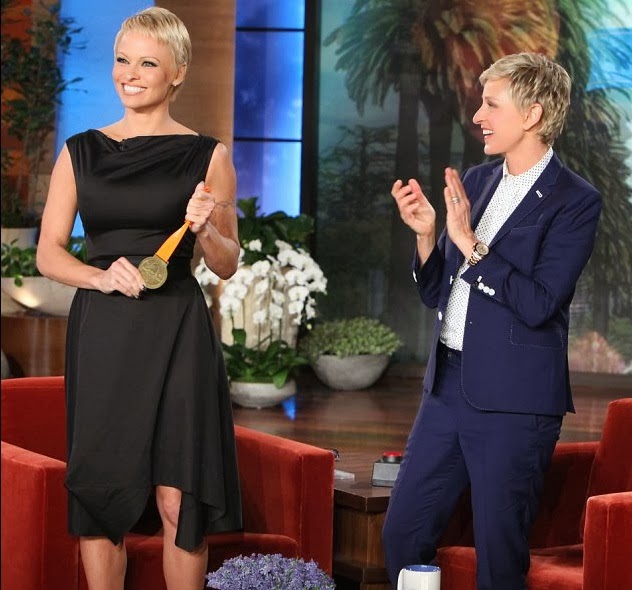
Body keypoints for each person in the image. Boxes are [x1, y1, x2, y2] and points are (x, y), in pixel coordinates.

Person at [36, 7, 242, 590]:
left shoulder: (209, 156)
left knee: (179, 501)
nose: (129, 73)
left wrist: (206, 228)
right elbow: (48, 254)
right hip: (103, 332)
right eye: (122, 60)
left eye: (148, 63)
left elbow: (227, 263)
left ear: (178, 73)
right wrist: (100, 277)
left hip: (178, 331)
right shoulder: (80, 151)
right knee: (102, 497)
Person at [382, 52, 601, 589]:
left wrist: (471, 246)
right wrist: (428, 237)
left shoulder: (575, 201)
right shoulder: (477, 181)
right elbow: (437, 292)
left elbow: (540, 303)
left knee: (499, 558)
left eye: (491, 104)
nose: (478, 116)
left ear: (532, 113)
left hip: (515, 402)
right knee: (403, 533)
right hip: (445, 389)